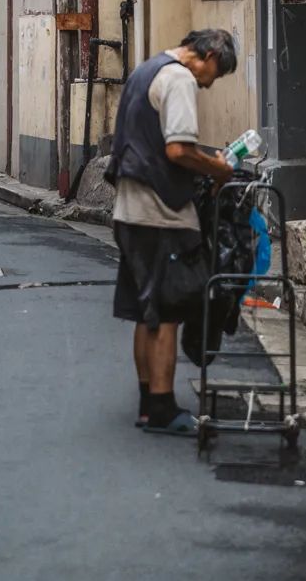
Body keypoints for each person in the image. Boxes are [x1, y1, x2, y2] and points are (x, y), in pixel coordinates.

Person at [107, 27, 237, 438]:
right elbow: (178, 149)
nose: (209, 84)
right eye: (215, 75)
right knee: (168, 310)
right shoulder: (179, 78)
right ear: (209, 56)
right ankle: (163, 407)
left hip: (129, 209)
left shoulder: (146, 70)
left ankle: (148, 402)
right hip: (162, 212)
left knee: (143, 310)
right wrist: (218, 168)